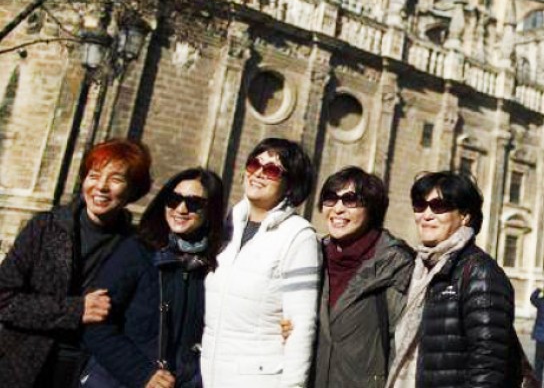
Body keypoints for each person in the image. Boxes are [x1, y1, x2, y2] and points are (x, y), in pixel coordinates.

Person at [0, 139, 152, 388]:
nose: (101, 187)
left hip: (91, 371)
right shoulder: (45, 228)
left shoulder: (135, 246)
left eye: (115, 179)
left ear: (133, 190)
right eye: (94, 175)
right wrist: (75, 309)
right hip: (22, 365)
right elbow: (4, 299)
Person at [82, 167, 226, 388]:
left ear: (211, 212)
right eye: (174, 199)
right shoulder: (136, 251)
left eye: (195, 203)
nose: (181, 209)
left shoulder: (216, 267)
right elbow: (96, 326)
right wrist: (143, 374)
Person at [201, 138, 320, 388]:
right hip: (210, 375)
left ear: (290, 184)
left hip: (260, 378)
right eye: (254, 164)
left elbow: (300, 325)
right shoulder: (228, 225)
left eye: (272, 170)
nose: (258, 174)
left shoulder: (298, 236)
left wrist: (293, 386)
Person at [387, 171, 516, 388]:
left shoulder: (479, 271)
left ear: (465, 216)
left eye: (439, 206)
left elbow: (488, 367)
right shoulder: (419, 269)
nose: (426, 214)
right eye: (420, 205)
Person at [313, 167, 414, 388]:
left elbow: (406, 348)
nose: (338, 209)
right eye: (331, 199)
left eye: (350, 200)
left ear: (372, 210)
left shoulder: (394, 264)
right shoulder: (311, 258)